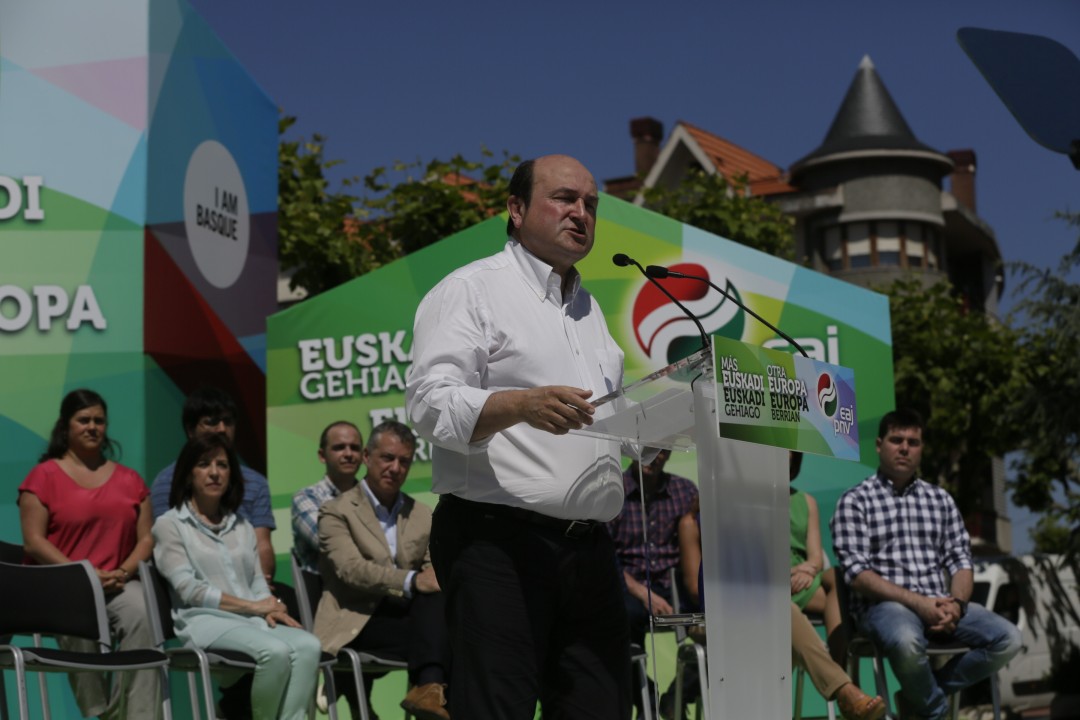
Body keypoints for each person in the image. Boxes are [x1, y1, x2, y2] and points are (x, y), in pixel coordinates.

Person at [407, 154, 630, 719]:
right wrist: (518, 404)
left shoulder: (588, 308)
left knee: (601, 709)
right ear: (515, 208)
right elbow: (428, 403)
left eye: (590, 204)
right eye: (564, 198)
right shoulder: (472, 289)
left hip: (591, 551)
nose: (580, 213)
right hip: (498, 544)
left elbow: (607, 418)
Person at [831, 409, 1022, 720]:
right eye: (896, 440)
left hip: (941, 604)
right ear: (879, 445)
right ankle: (934, 710)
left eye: (913, 442)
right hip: (884, 608)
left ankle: (919, 699)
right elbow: (857, 575)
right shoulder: (855, 501)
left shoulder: (940, 500)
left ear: (921, 448)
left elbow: (960, 559)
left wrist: (957, 605)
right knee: (907, 641)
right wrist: (920, 604)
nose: (905, 448)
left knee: (1009, 639)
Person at [152, 433, 322, 720]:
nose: (214, 472)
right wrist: (254, 606)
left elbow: (256, 580)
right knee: (275, 652)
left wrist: (269, 606)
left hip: (250, 621)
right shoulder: (169, 524)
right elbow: (189, 589)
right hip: (204, 621)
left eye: (222, 465)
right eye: (204, 464)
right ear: (188, 474)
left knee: (309, 645)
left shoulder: (241, 524)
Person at [18, 388, 160, 719]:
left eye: (99, 420)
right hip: (64, 584)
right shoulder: (43, 476)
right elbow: (34, 542)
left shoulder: (130, 480)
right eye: (84, 420)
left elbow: (146, 540)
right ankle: (103, 714)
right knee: (75, 610)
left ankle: (137, 715)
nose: (92, 427)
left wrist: (122, 572)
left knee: (143, 611)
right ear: (65, 426)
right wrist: (82, 575)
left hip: (117, 583)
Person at [678, 503, 886, 720]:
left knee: (783, 620)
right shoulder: (692, 523)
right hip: (710, 617)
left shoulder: (749, 520)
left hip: (759, 611)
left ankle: (840, 690)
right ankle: (845, 691)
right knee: (783, 618)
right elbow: (695, 589)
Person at [315, 420, 451, 720]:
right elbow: (351, 570)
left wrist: (427, 581)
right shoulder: (335, 510)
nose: (395, 468)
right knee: (448, 635)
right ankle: (430, 690)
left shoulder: (421, 513)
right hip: (357, 620)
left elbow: (433, 570)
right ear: (367, 457)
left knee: (450, 615)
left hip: (410, 620)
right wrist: (411, 581)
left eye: (404, 461)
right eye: (387, 458)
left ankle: (430, 689)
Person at [151, 387, 277, 583]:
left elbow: (262, 545)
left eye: (228, 421)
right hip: (195, 586)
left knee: (287, 600)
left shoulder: (256, 483)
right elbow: (169, 548)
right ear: (191, 430)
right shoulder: (166, 481)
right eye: (212, 422)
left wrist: (261, 587)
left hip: (249, 584)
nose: (222, 429)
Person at [607, 448, 698, 716]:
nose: (652, 456)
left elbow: (699, 541)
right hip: (628, 587)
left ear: (669, 454)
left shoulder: (685, 491)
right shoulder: (612, 490)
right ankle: (645, 696)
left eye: (660, 450)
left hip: (674, 587)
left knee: (721, 622)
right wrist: (641, 592)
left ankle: (676, 696)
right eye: (645, 449)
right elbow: (606, 556)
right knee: (619, 620)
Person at [788, 451, 843, 660]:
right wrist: (794, 571)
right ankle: (839, 667)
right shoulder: (749, 500)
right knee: (844, 605)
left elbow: (816, 557)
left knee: (837, 576)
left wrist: (807, 571)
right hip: (772, 581)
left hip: (805, 578)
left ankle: (837, 664)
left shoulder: (807, 501)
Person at [291, 421, 363, 573]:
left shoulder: (373, 496)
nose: (349, 454)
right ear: (322, 456)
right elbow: (335, 547)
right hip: (327, 585)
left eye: (355, 448)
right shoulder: (306, 498)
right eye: (339, 447)